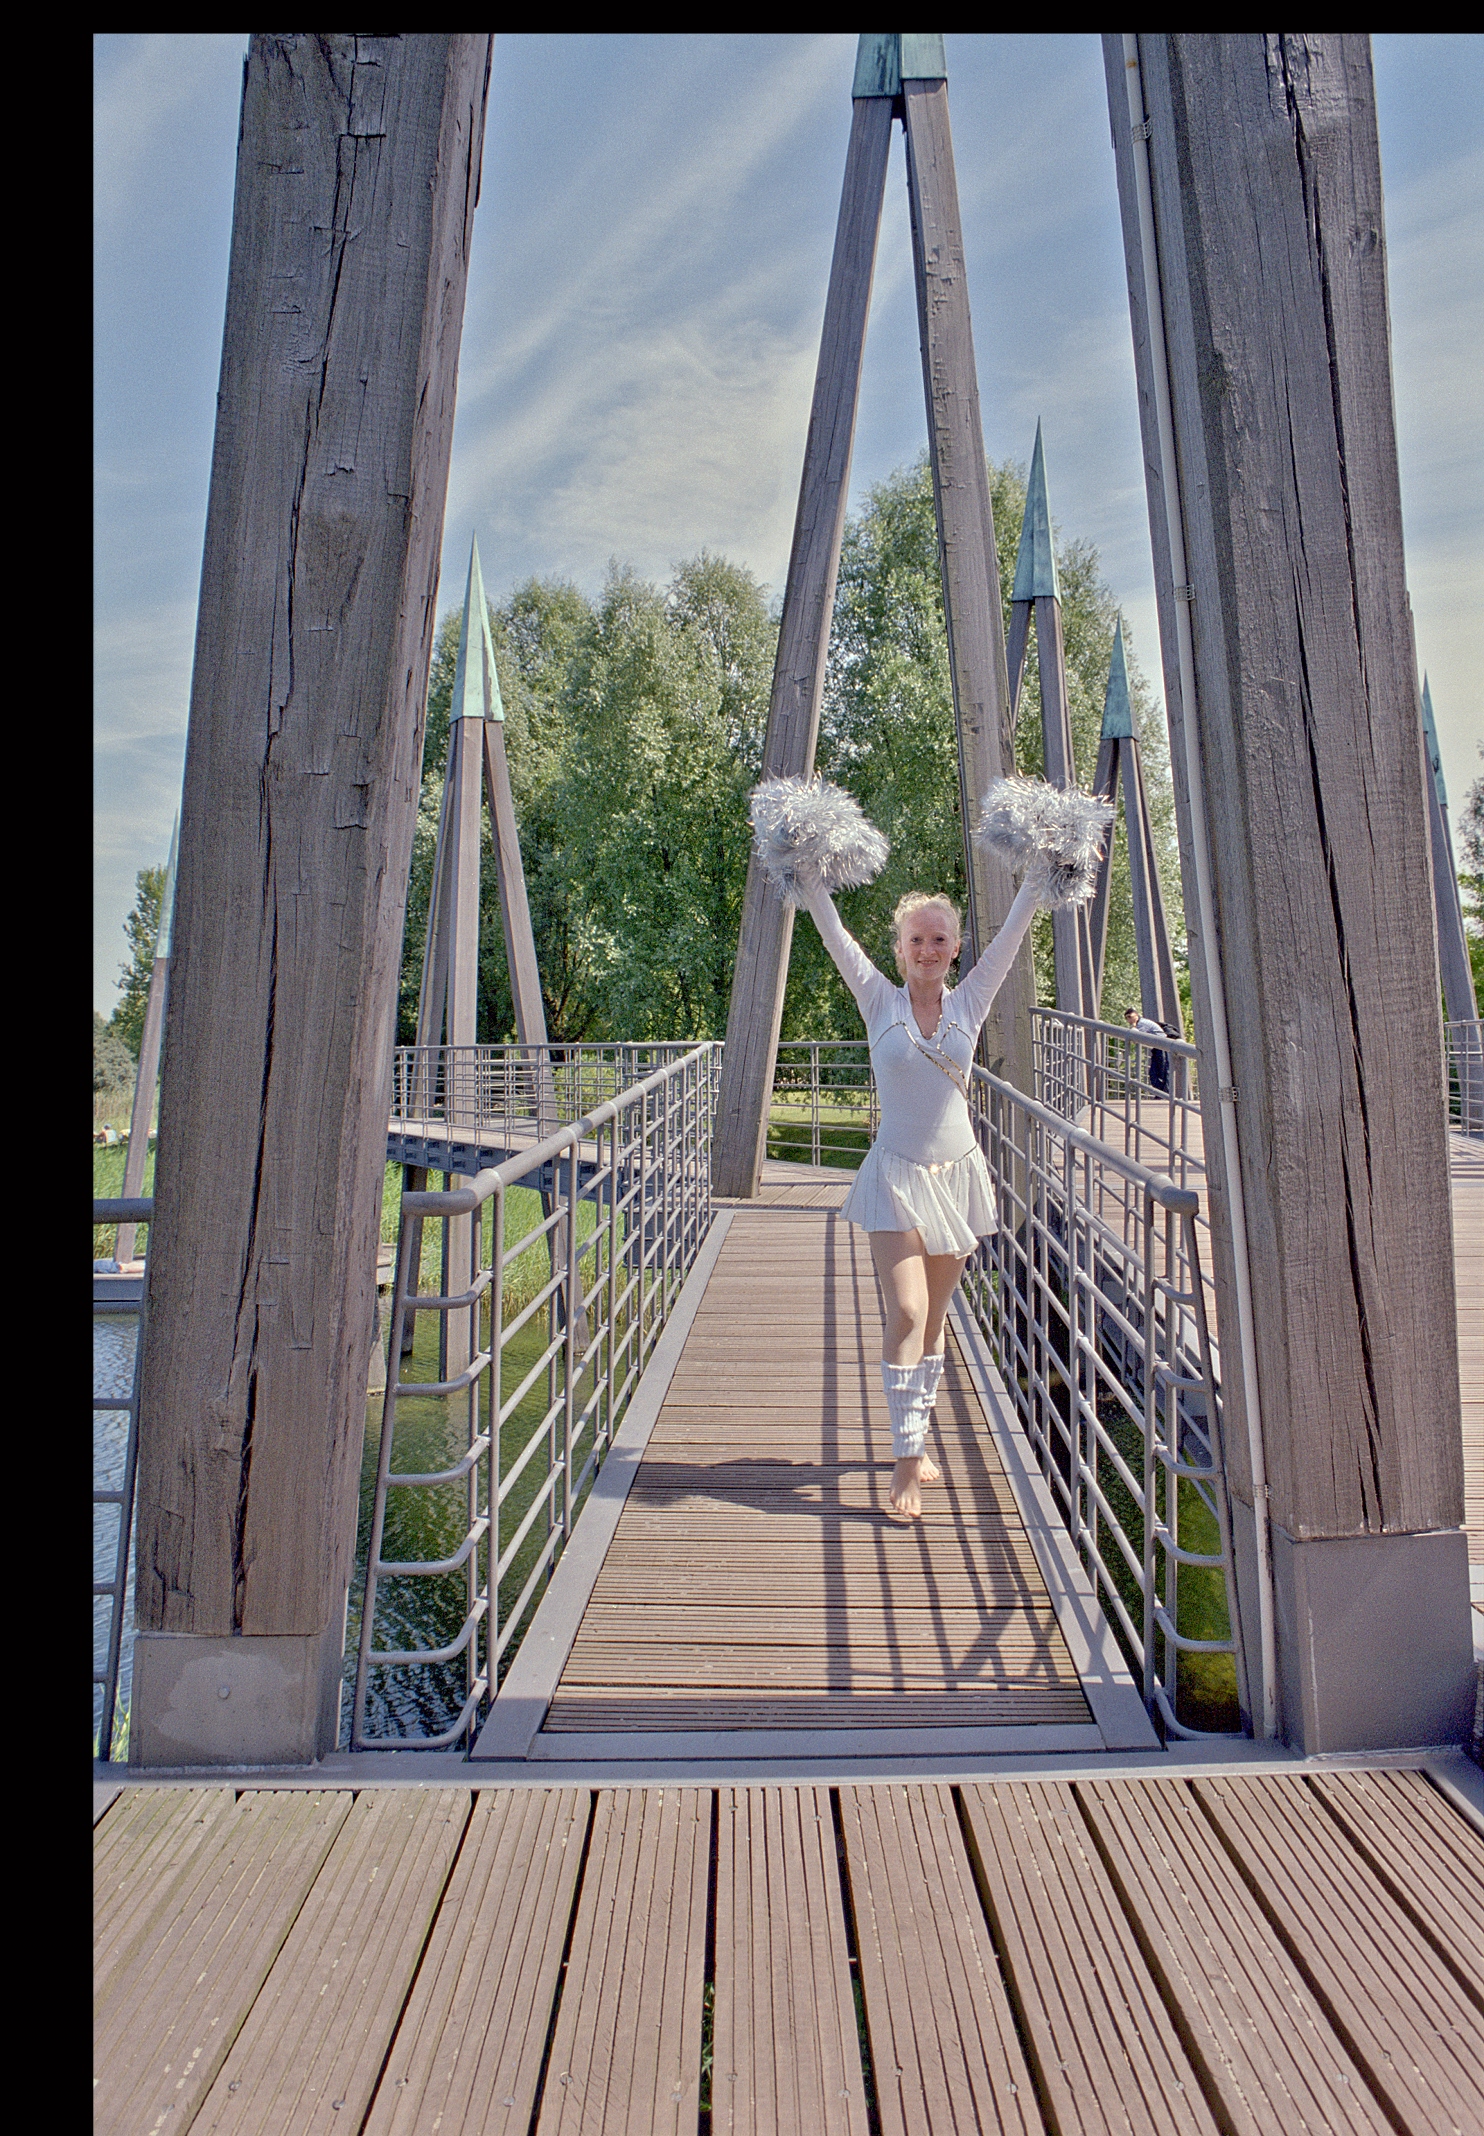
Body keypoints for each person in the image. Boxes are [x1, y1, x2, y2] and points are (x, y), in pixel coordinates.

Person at [799, 873, 1040, 1522]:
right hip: (897, 1175)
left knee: (934, 1324)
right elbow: (833, 935)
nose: (927, 949)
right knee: (905, 1313)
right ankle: (906, 1458)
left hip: (957, 1177)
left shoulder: (968, 1004)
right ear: (899, 949)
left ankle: (921, 1438)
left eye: (939, 939)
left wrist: (1043, 872)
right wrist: (808, 878)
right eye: (915, 940)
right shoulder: (878, 1000)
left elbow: (1014, 934)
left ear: (955, 948)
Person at [1124, 1006, 1170, 1093]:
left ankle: (1164, 1093)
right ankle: (1160, 1093)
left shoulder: (1142, 1023)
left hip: (1162, 1047)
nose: (1128, 1020)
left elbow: (1136, 1037)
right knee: (1154, 1072)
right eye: (1126, 1018)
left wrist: (1133, 1026)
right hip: (1157, 1048)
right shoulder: (1140, 1023)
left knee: (1162, 1071)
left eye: (1130, 1016)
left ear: (1136, 1015)